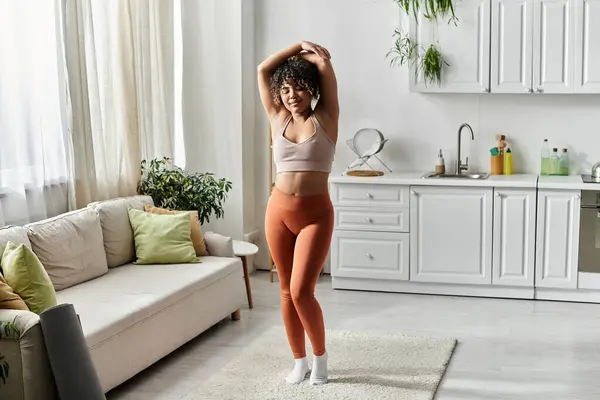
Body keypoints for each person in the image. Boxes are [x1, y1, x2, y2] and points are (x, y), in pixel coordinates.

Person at [257, 41, 339, 385]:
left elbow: (324, 65)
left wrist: (309, 54)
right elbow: (263, 70)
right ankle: (299, 361)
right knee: (287, 292)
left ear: (311, 90)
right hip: (278, 211)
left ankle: (320, 360)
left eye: (299, 88)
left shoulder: (327, 116)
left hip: (316, 214)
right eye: (286, 89)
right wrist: (294, 47)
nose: (292, 96)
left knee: (303, 291)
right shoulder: (277, 118)